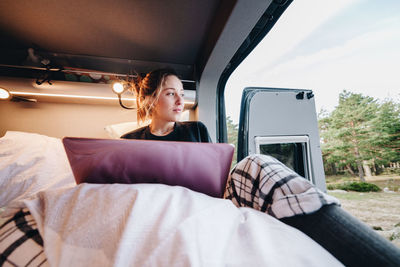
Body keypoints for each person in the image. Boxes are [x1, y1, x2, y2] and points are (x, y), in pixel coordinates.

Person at [121, 68, 400, 266]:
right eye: (171, 93)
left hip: (209, 199)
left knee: (255, 163)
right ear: (150, 100)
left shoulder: (196, 130)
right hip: (158, 205)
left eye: (182, 93)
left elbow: (215, 175)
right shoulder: (128, 142)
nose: (181, 101)